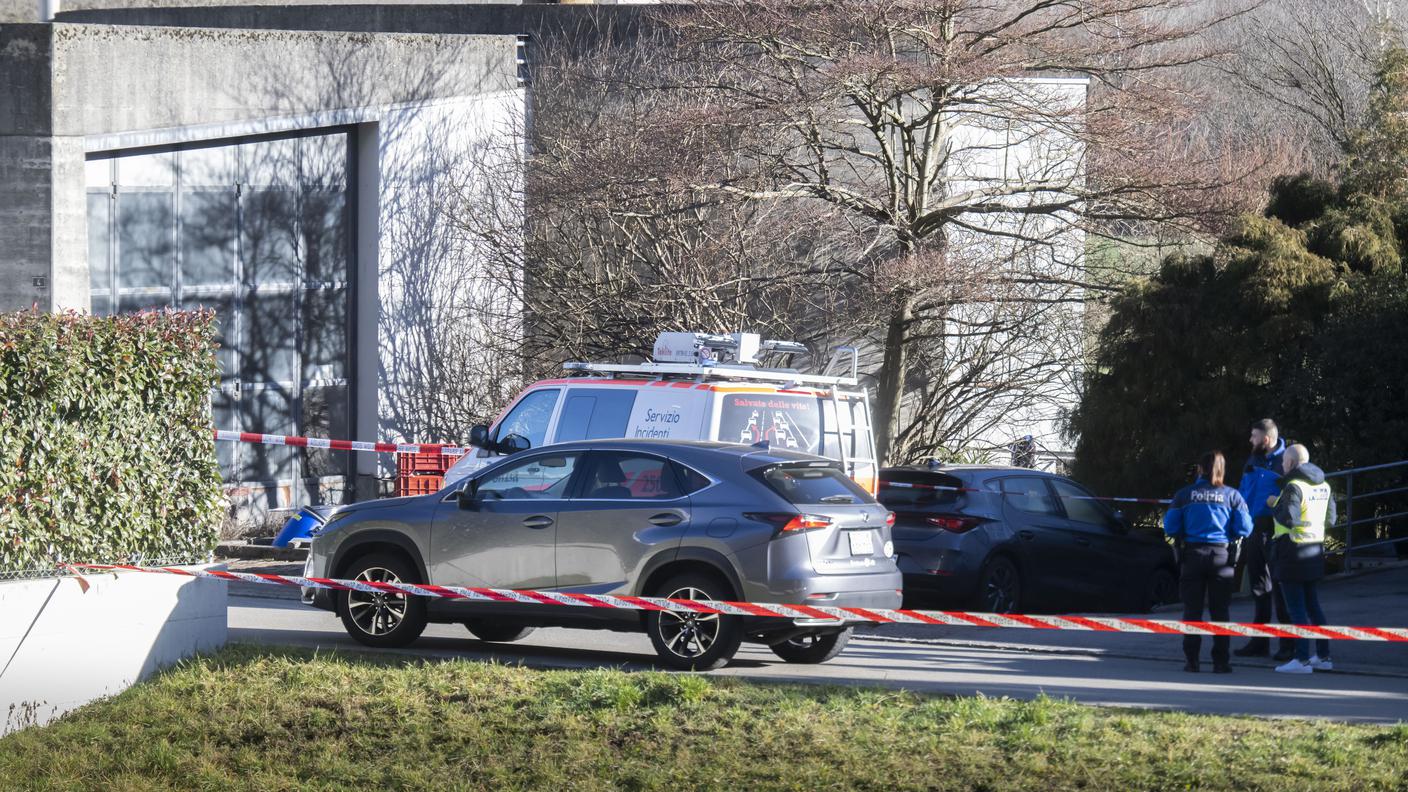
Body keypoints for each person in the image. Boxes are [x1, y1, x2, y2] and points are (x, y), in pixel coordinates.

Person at [1163, 450, 1254, 673]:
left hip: (1192, 556)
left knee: (1192, 611)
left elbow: (1171, 527)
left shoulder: (1184, 495)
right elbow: (1245, 528)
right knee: (1220, 611)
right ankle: (1221, 662)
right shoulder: (1232, 496)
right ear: (1222, 470)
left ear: (1200, 469)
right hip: (1221, 557)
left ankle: (1192, 660)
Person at [1233, 418, 1296, 661]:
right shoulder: (1253, 459)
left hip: (1275, 529)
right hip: (1253, 529)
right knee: (1259, 587)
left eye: (1254, 436)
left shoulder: (1286, 461)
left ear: (1266, 439)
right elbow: (1242, 490)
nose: (1251, 440)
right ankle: (1259, 642)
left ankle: (1288, 645)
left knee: (1280, 587)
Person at [1270, 444, 1336, 674]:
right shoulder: (1324, 485)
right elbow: (1332, 519)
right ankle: (1323, 656)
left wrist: (1274, 505)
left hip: (1292, 551)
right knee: (1313, 606)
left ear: (1291, 463)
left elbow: (1289, 518)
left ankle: (1301, 659)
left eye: (1284, 462)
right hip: (1314, 550)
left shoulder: (1293, 486)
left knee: (1296, 609)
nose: (1282, 466)